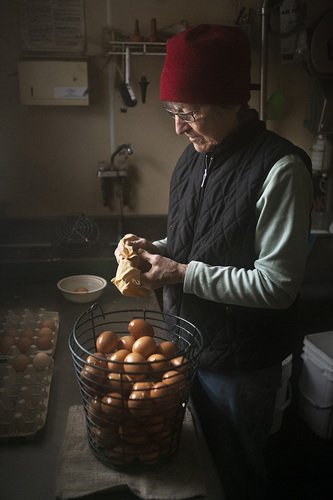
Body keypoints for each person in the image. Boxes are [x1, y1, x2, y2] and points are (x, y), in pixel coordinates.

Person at [115, 24, 313, 499]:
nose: (177, 127)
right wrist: (155, 251)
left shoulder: (281, 169)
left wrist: (179, 273)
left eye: (189, 113)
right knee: (197, 470)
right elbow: (198, 240)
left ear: (231, 103)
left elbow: (277, 285)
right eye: (172, 111)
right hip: (188, 343)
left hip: (240, 368)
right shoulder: (193, 157)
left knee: (236, 474)